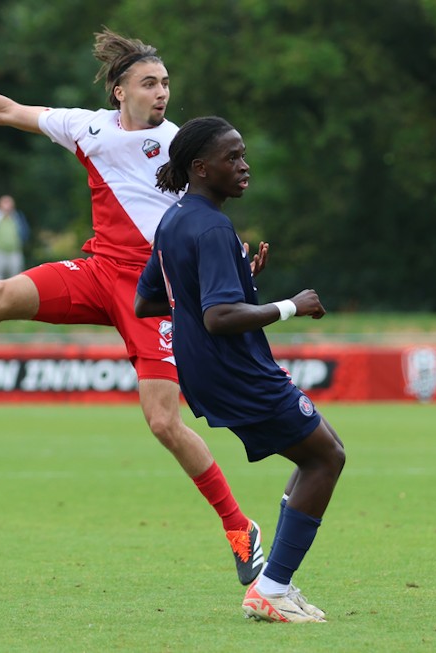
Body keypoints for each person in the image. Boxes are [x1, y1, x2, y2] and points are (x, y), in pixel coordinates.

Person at [0, 29, 266, 585]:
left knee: (163, 422)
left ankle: (239, 529)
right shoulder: (86, 128)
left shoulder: (184, 144)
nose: (161, 92)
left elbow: (210, 211)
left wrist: (231, 265)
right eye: (149, 83)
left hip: (155, 293)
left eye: (165, 83)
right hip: (97, 273)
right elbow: (4, 110)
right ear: (119, 90)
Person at [135, 116, 346, 623]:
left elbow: (147, 301)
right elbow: (219, 316)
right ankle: (271, 587)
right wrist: (291, 305)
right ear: (201, 168)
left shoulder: (175, 218)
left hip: (207, 371)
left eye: (243, 154)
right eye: (232, 158)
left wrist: (232, 277)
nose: (244, 165)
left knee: (319, 454)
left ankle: (275, 582)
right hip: (235, 370)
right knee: (326, 458)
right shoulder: (211, 225)